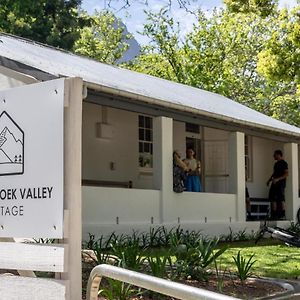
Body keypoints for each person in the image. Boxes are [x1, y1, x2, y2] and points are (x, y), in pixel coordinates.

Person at [267, 150, 288, 220]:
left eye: (275, 155)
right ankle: (274, 215)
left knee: (281, 198)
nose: (274, 156)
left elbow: (286, 174)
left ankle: (282, 214)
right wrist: (269, 180)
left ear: (279, 155)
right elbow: (274, 173)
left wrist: (278, 179)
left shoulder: (284, 163)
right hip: (274, 183)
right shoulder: (276, 164)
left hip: (280, 184)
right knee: (272, 198)